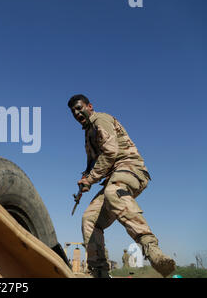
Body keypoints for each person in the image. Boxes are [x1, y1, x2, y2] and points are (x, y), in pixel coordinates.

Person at [67, 94, 175, 278]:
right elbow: (93, 164)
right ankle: (99, 271)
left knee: (113, 192)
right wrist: (85, 179)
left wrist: (90, 179)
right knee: (89, 219)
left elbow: (110, 153)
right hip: (112, 176)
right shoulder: (88, 135)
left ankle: (152, 250)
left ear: (90, 106)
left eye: (79, 108)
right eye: (73, 112)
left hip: (130, 167)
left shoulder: (100, 120)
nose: (77, 113)